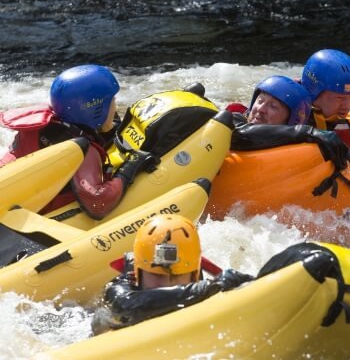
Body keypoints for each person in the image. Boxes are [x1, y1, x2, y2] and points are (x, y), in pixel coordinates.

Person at [0, 64, 157, 218]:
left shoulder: (41, 125)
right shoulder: (81, 149)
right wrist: (130, 167)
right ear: (96, 109)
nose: (115, 108)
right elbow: (97, 203)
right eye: (112, 101)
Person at [91, 214, 253, 334]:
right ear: (138, 274)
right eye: (157, 276)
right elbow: (126, 306)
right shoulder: (118, 290)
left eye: (177, 277)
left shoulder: (207, 287)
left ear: (194, 275)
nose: (167, 284)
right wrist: (205, 289)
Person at [228, 75, 349, 170]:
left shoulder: (300, 150)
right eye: (260, 101)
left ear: (292, 120)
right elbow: (240, 135)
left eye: (273, 107)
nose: (261, 109)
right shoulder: (233, 120)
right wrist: (307, 132)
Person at [301, 49, 350, 147]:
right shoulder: (294, 120)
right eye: (339, 97)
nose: (347, 105)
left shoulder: (349, 124)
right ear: (314, 94)